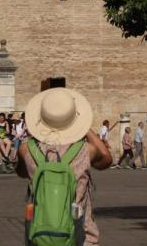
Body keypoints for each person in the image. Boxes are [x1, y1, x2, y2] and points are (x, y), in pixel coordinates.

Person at [16, 87, 113, 245]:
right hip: (81, 236)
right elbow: (107, 159)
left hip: (39, 235)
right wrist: (85, 129)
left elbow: (21, 172)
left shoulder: (26, 149)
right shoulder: (86, 150)